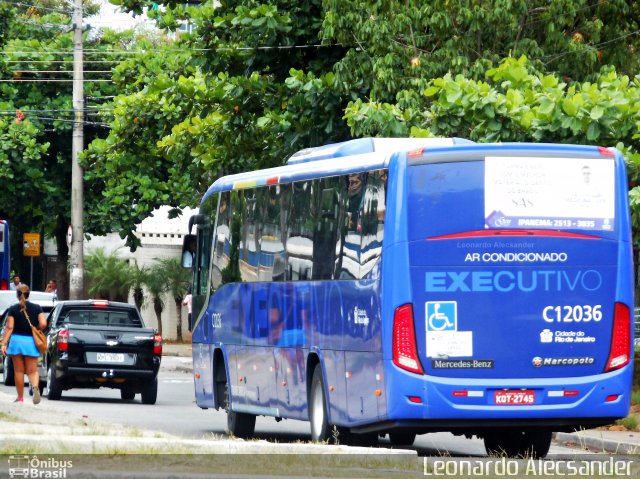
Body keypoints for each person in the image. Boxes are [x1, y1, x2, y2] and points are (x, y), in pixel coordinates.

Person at [1, 284, 46, 404]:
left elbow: (9, 327)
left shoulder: (13, 309)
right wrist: (35, 328)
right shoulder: (37, 308)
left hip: (16, 342)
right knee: (32, 371)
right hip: (31, 342)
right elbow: (43, 323)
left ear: (17, 295)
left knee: (19, 371)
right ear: (28, 294)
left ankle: (20, 398)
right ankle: (35, 388)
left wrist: (4, 343)